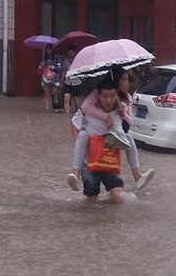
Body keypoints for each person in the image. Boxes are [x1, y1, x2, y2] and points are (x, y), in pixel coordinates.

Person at [67, 65, 155, 193]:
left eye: (127, 80)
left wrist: (123, 114)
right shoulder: (96, 95)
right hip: (92, 148)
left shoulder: (126, 100)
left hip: (111, 144)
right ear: (116, 81)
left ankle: (137, 176)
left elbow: (131, 124)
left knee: (129, 138)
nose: (127, 83)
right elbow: (82, 111)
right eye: (124, 80)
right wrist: (105, 117)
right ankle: (75, 174)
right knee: (83, 135)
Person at [70, 78, 126, 204]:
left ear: (116, 94)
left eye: (112, 96)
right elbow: (75, 125)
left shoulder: (120, 109)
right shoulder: (88, 110)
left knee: (118, 198)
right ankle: (76, 174)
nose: (108, 100)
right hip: (90, 163)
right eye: (105, 96)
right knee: (91, 202)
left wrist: (124, 114)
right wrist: (80, 146)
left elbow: (127, 134)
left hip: (110, 161)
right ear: (98, 96)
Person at [38, 44, 59, 111]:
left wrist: (52, 67)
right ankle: (47, 106)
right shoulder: (43, 58)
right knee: (46, 92)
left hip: (54, 77)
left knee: (54, 92)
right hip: (45, 77)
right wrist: (42, 65)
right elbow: (40, 67)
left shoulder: (56, 58)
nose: (48, 51)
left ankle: (55, 105)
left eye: (50, 49)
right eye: (47, 50)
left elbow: (59, 68)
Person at [60, 45, 80, 114]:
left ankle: (77, 112)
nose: (70, 54)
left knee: (76, 98)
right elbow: (63, 72)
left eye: (72, 52)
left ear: (74, 52)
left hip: (76, 81)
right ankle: (67, 113)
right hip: (67, 81)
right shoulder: (65, 61)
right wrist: (61, 82)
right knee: (66, 97)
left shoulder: (78, 60)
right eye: (69, 52)